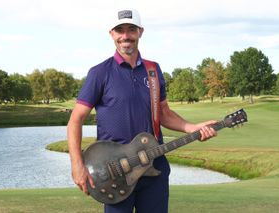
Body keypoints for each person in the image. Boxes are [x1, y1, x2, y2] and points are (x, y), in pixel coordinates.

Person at [67, 8, 217, 213]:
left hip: (154, 167)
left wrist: (192, 127)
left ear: (140, 32)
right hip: (115, 173)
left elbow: (163, 113)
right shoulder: (99, 73)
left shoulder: (153, 70)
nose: (125, 36)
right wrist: (77, 165)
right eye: (120, 30)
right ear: (112, 34)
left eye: (131, 29)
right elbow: (76, 120)